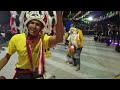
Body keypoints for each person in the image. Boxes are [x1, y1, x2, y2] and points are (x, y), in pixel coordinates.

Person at [0, 11, 64, 79]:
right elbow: (7, 57)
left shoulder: (43, 39)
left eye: (37, 24)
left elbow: (59, 39)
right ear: (27, 24)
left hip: (37, 74)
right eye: (32, 23)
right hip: (22, 74)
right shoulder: (16, 38)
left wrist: (58, 15)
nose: (34, 26)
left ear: (41, 27)